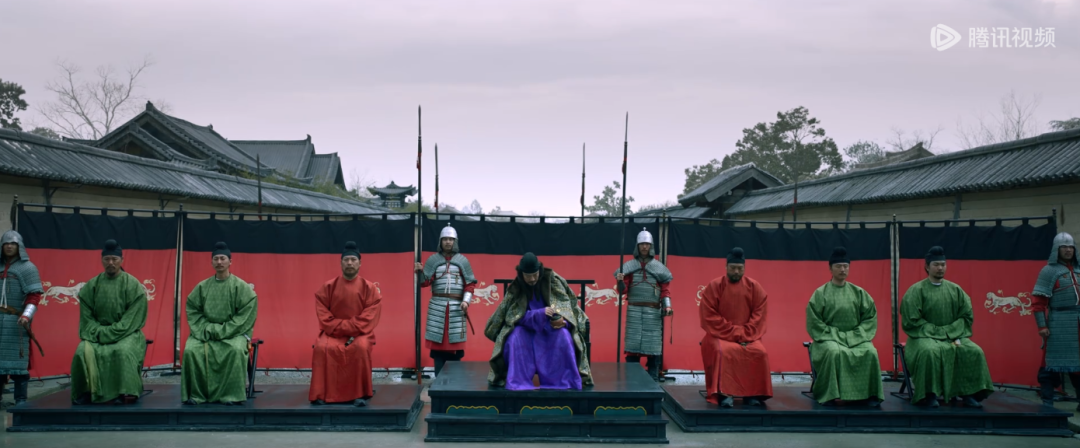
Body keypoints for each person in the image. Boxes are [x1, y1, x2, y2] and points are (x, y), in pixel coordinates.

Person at [900, 246, 993, 408]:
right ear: (927, 266)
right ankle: (929, 394)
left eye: (943, 264)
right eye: (936, 264)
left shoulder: (955, 290)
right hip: (923, 336)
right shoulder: (916, 290)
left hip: (953, 335)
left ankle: (968, 393)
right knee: (929, 352)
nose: (940, 268)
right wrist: (937, 332)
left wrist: (949, 331)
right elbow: (911, 320)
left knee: (973, 351)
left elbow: (966, 316)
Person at [484, 252, 592, 390]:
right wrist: (538, 314)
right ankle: (517, 382)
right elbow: (512, 317)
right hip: (526, 329)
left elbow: (567, 309)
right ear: (521, 274)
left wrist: (564, 322)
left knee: (564, 336)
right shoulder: (517, 288)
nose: (532, 279)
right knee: (514, 337)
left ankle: (563, 382)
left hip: (550, 328)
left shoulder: (553, 282)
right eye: (528, 276)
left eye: (535, 275)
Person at [70, 240, 149, 405]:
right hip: (97, 333)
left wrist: (108, 333)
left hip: (126, 333)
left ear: (121, 260)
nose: (111, 263)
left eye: (114, 259)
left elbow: (131, 320)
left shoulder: (133, 285)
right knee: (81, 351)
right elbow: (87, 318)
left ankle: (123, 392)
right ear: (102, 260)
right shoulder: (92, 285)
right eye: (107, 259)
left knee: (122, 351)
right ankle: (87, 391)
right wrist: (100, 332)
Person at [181, 242, 258, 405]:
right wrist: (207, 329)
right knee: (190, 350)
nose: (219, 262)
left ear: (230, 262)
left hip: (233, 333)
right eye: (216, 259)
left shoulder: (241, 287)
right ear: (211, 262)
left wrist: (221, 330)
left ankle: (231, 395)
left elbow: (245, 314)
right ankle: (197, 395)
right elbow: (193, 309)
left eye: (223, 258)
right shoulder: (202, 287)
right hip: (205, 331)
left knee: (236, 350)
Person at [806, 246, 884, 407]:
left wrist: (854, 336)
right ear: (830, 268)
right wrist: (837, 336)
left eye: (845, 266)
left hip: (856, 337)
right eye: (838, 266)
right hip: (828, 339)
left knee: (870, 352)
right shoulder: (820, 293)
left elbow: (870, 318)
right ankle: (829, 394)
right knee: (834, 352)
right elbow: (814, 322)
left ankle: (870, 394)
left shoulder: (859, 292)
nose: (842, 269)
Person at [309, 242, 382, 406]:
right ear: (341, 263)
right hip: (333, 333)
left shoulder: (369, 288)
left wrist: (347, 328)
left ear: (360, 263)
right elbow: (324, 315)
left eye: (353, 260)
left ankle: (359, 394)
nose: (350, 263)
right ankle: (321, 393)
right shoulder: (328, 287)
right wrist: (341, 329)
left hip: (360, 334)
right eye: (346, 260)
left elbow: (368, 318)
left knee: (360, 347)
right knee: (321, 348)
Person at [699, 247, 772, 407]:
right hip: (720, 335)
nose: (736, 272)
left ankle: (752, 394)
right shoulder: (715, 286)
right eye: (733, 268)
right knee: (724, 352)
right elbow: (709, 316)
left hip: (748, 335)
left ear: (744, 268)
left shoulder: (754, 287)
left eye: (740, 268)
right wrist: (734, 332)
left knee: (759, 352)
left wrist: (744, 333)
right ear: (726, 267)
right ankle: (724, 394)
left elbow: (759, 315)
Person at [415, 223, 477, 376]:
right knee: (438, 351)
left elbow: (470, 284)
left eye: (451, 239)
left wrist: (466, 301)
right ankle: (438, 382)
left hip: (456, 308)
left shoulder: (463, 261)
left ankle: (454, 383)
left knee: (455, 350)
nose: (448, 242)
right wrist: (419, 272)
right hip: (437, 307)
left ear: (455, 241)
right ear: (440, 241)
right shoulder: (432, 260)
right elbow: (424, 283)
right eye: (445, 239)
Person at [614, 228, 672, 381]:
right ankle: (632, 379)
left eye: (647, 244)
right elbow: (623, 291)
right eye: (642, 244)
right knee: (632, 346)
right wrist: (620, 281)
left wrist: (667, 306)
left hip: (653, 312)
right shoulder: (628, 267)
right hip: (634, 310)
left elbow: (665, 290)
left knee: (653, 347)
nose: (644, 247)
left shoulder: (659, 268)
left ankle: (653, 378)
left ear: (651, 246)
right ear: (637, 246)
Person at [1033, 232, 1080, 407]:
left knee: (1079, 364)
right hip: (1059, 322)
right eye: (1064, 247)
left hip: (1078, 322)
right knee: (1050, 363)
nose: (1068, 250)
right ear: (1056, 249)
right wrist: (1042, 326)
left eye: (1071, 247)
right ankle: (1047, 401)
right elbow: (1038, 302)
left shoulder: (1079, 269)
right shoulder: (1048, 271)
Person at [0, 230, 43, 406]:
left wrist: (26, 315)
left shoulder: (28, 268)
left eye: (13, 243)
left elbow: (34, 295)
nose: (9, 246)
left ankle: (20, 400)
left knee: (18, 364)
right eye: (6, 243)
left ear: (20, 246)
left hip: (16, 322)